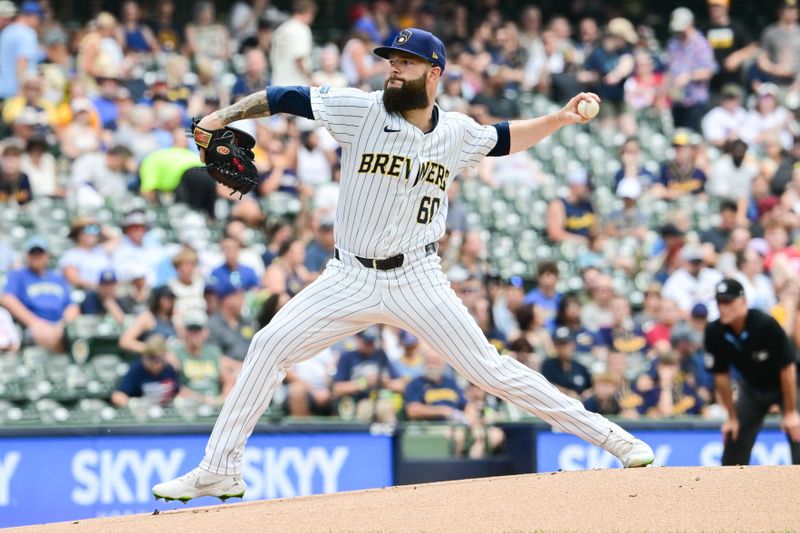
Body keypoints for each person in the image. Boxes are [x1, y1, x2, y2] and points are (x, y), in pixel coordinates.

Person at [153, 26, 654, 503]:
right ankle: (220, 468)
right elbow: (285, 96)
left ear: (434, 73)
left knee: (490, 372)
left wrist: (558, 120)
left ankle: (613, 439)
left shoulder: (455, 132)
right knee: (267, 345)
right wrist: (222, 117)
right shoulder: (360, 109)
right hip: (349, 276)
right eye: (391, 62)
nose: (393, 70)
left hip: (417, 276)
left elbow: (503, 138)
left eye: (405, 63)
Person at [704, 278, 800, 464]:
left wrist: (789, 412)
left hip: (787, 384)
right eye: (719, 302)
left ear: (743, 302)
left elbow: (787, 367)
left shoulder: (765, 324)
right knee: (734, 435)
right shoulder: (714, 331)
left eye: (728, 301)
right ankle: (728, 489)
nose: (723, 307)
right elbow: (721, 375)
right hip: (752, 387)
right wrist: (731, 417)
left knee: (797, 428)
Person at [1, 236, 79, 353]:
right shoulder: (18, 275)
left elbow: (72, 306)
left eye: (40, 253)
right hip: (33, 325)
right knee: (46, 335)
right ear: (27, 255)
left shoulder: (57, 278)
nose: (36, 257)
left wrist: (62, 324)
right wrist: (34, 322)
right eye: (33, 253)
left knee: (80, 337)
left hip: (60, 324)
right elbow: (7, 298)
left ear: (47, 255)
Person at [111, 334, 180, 408]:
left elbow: (179, 390)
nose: (157, 363)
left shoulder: (169, 369)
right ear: (145, 356)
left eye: (160, 358)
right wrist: (133, 404)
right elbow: (117, 396)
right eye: (152, 358)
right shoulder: (137, 369)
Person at [0, 1, 42, 100]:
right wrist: (21, 93)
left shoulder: (6, 31)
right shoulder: (27, 34)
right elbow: (22, 62)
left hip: (2, 89)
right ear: (33, 16)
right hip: (15, 93)